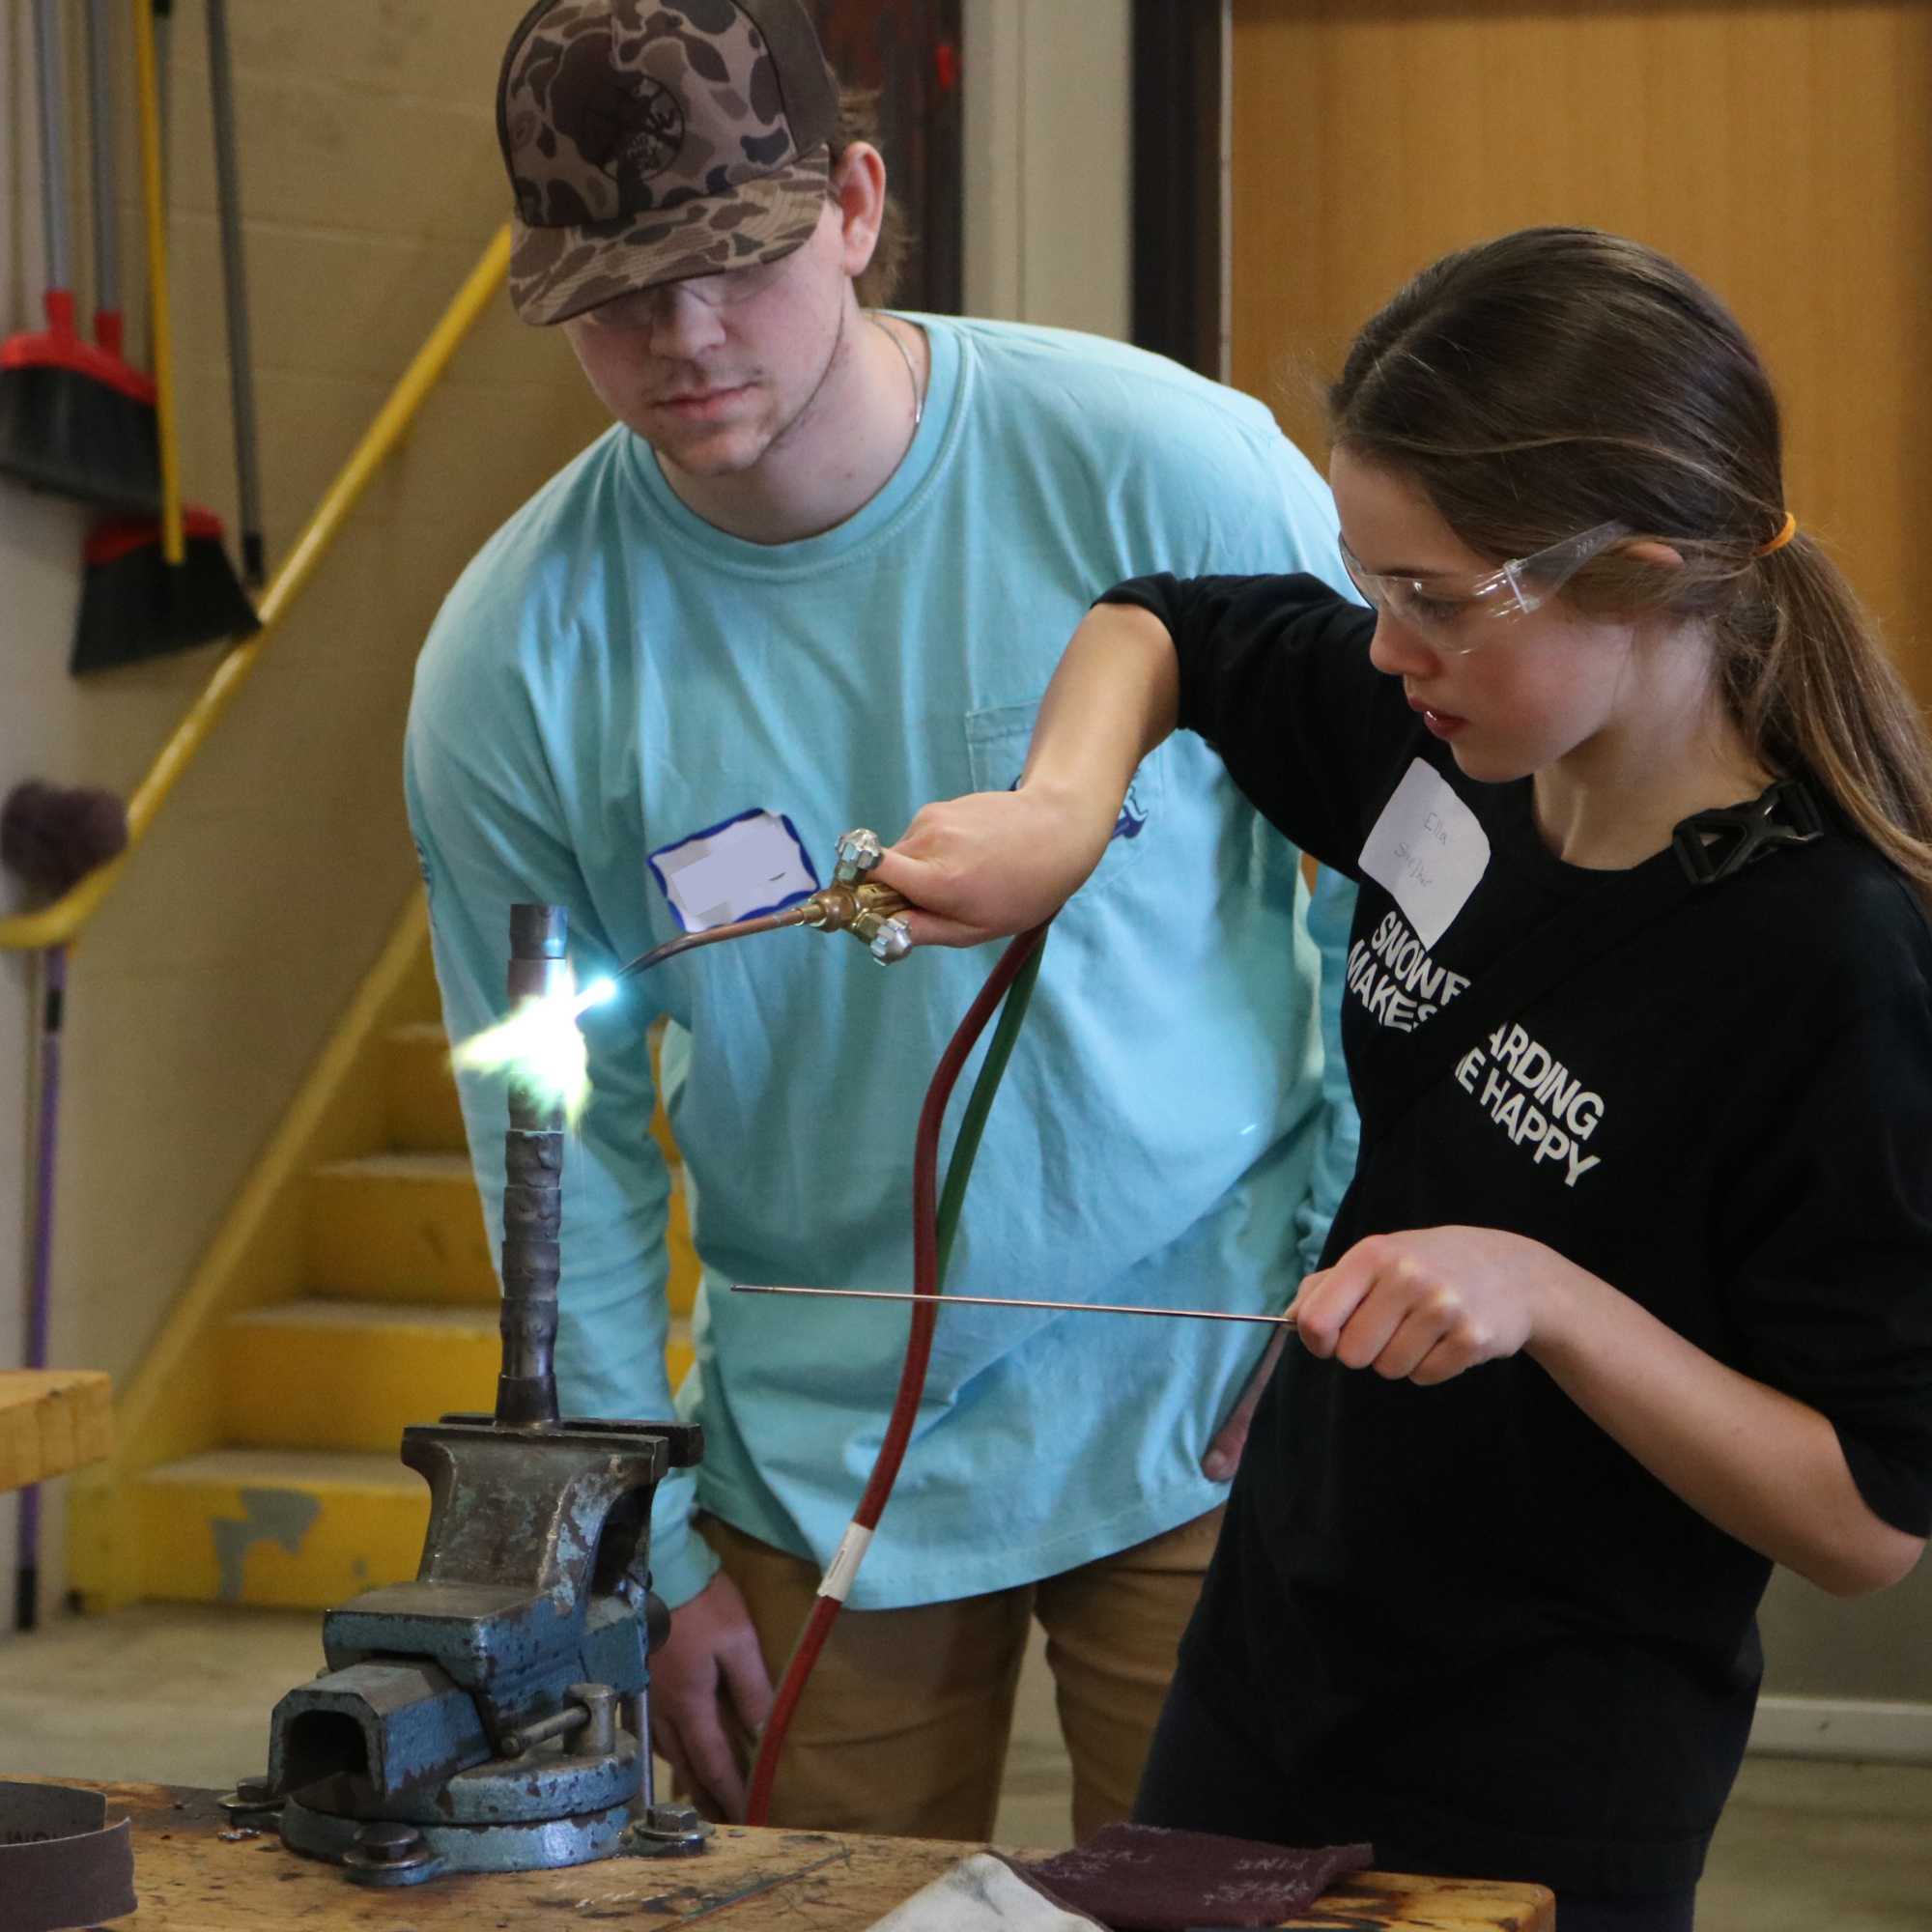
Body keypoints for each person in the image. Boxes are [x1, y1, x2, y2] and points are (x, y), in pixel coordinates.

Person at [878, 227, 1932, 1926]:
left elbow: (1869, 1516)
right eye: (1376, 589)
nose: (1385, 651)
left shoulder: (1833, 962)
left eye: (1436, 601)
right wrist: (1059, 819)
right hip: (1275, 1657)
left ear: (1649, 572)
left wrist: (1552, 1299)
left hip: (1546, 1754)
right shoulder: (1451, 755)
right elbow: (1169, 626)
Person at [407, 0, 1361, 1839]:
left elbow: (1406, 871)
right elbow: (552, 1125)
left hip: (1213, 1397)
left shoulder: (1172, 470)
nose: (682, 338)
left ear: (851, 204)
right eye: (616, 292)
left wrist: (1350, 1252)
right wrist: (640, 1539)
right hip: (816, 1451)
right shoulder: (516, 664)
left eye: (738, 263)